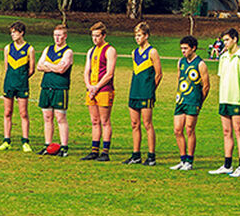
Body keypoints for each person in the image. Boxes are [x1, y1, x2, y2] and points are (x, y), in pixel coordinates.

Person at [214, 29, 240, 176]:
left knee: (238, 131)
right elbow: (222, 77)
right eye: (224, 40)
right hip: (224, 99)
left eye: (227, 40)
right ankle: (227, 164)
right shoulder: (223, 57)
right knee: (226, 132)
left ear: (235, 39)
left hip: (237, 99)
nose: (225, 43)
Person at [36, 24, 74, 156]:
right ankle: (48, 145)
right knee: (47, 117)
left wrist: (47, 64)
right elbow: (39, 66)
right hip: (46, 86)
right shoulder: (48, 49)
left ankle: (64, 147)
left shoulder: (68, 52)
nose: (57, 38)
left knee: (60, 117)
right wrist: (54, 66)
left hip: (60, 87)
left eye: (59, 35)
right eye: (55, 35)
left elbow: (61, 69)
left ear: (65, 36)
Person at [124, 23, 160, 164]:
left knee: (147, 124)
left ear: (146, 36)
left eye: (139, 35)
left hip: (146, 93)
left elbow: (159, 74)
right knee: (134, 124)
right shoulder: (134, 53)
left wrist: (150, 90)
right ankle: (136, 155)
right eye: (136, 35)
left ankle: (151, 156)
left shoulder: (152, 52)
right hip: (134, 91)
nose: (137, 38)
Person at [81, 22, 117, 162]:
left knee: (105, 121)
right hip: (91, 89)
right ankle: (94, 150)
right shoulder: (91, 51)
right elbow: (86, 71)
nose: (94, 39)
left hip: (104, 90)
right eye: (93, 36)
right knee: (94, 121)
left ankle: (105, 152)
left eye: (97, 36)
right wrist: (89, 85)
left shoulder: (110, 50)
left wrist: (97, 87)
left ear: (103, 36)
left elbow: (109, 73)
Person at [170, 36, 205, 172]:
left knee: (189, 129)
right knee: (177, 130)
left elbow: (206, 85)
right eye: (181, 48)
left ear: (193, 48)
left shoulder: (200, 64)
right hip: (181, 100)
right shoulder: (181, 62)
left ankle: (190, 161)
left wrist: (199, 101)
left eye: (185, 48)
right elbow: (179, 78)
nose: (183, 51)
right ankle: (182, 159)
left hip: (193, 101)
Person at [1, 22, 34, 152]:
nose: (12, 35)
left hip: (22, 85)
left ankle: (25, 141)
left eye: (15, 32)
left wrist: (22, 78)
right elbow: (6, 67)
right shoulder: (7, 48)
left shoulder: (29, 49)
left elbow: (31, 69)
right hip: (9, 83)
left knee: (23, 113)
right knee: (7, 112)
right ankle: (6, 140)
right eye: (11, 32)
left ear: (21, 33)